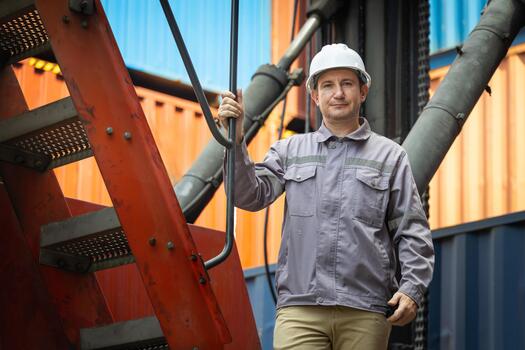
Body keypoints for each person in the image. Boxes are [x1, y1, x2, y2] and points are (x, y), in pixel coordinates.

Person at [218, 43, 434, 350]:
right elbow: (248, 195)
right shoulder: (289, 151)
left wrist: (412, 289)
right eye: (328, 85)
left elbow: (412, 230)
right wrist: (236, 139)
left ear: (363, 91)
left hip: (365, 309)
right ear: (315, 96)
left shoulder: (390, 157)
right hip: (300, 309)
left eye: (347, 83)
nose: (339, 93)